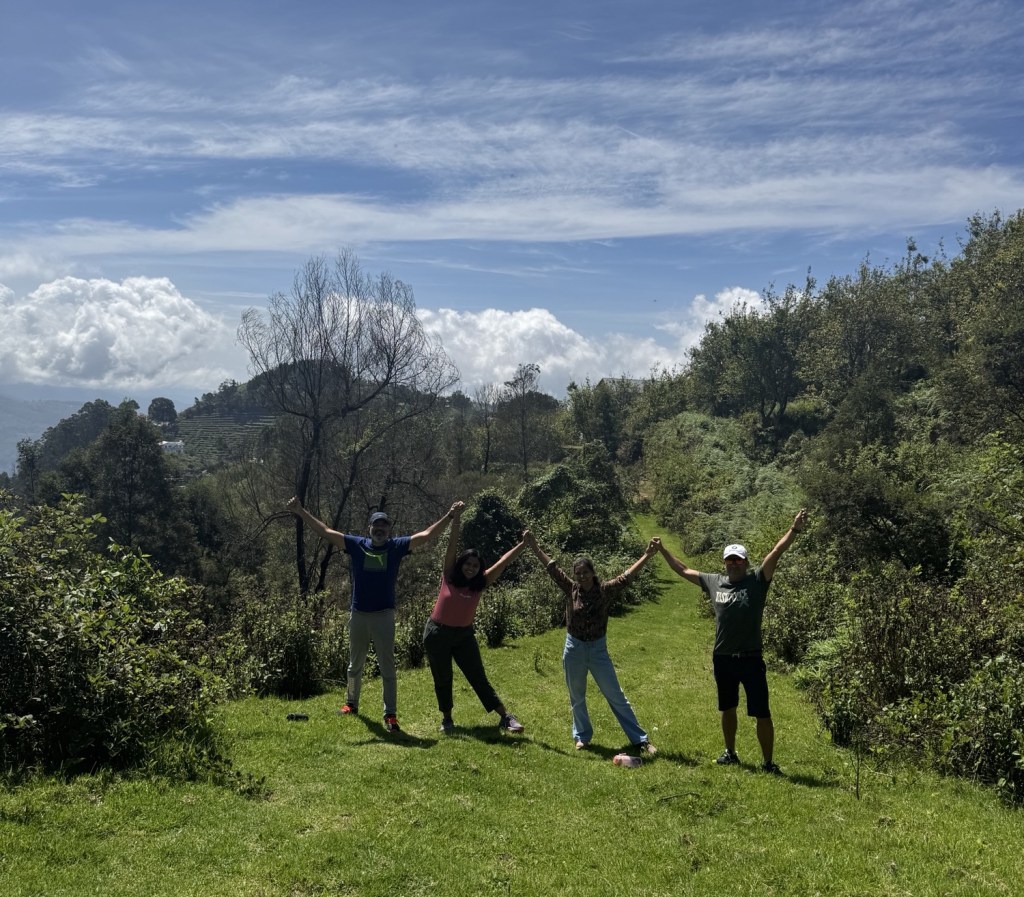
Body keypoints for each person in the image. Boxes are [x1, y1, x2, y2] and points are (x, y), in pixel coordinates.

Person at [286, 497, 459, 734]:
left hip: (384, 615)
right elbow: (325, 531)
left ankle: (390, 714)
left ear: (389, 530)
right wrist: (300, 511)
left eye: (384, 526)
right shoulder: (357, 545)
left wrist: (449, 516)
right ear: (370, 528)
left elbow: (427, 535)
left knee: (387, 667)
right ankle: (351, 704)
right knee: (354, 665)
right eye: (376, 525)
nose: (380, 529)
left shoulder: (397, 547)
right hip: (359, 614)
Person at [655, 509, 809, 774]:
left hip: (751, 658)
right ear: (724, 563)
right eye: (730, 560)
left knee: (762, 712)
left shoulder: (757, 580)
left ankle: (768, 763)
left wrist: (794, 530)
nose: (734, 564)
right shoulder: (714, 582)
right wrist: (662, 550)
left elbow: (776, 552)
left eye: (738, 560)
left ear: (746, 562)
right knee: (727, 708)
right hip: (723, 658)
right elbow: (683, 569)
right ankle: (730, 753)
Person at [524, 530, 659, 756]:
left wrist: (647, 555)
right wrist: (535, 547)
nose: (581, 577)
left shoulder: (605, 591)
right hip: (574, 648)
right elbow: (552, 569)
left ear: (593, 573)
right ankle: (582, 736)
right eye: (578, 574)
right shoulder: (571, 589)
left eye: (585, 572)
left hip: (598, 650)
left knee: (616, 695)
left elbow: (626, 577)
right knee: (577, 696)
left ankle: (640, 740)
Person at [424, 502, 528, 735]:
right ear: (461, 564)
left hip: (464, 636)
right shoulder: (449, 576)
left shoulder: (481, 583)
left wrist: (523, 544)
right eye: (468, 564)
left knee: (477, 677)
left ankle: (505, 717)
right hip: (437, 633)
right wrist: (456, 517)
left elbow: (503, 562)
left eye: (475, 565)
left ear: (479, 569)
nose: (471, 568)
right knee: (443, 677)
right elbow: (452, 545)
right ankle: (447, 719)